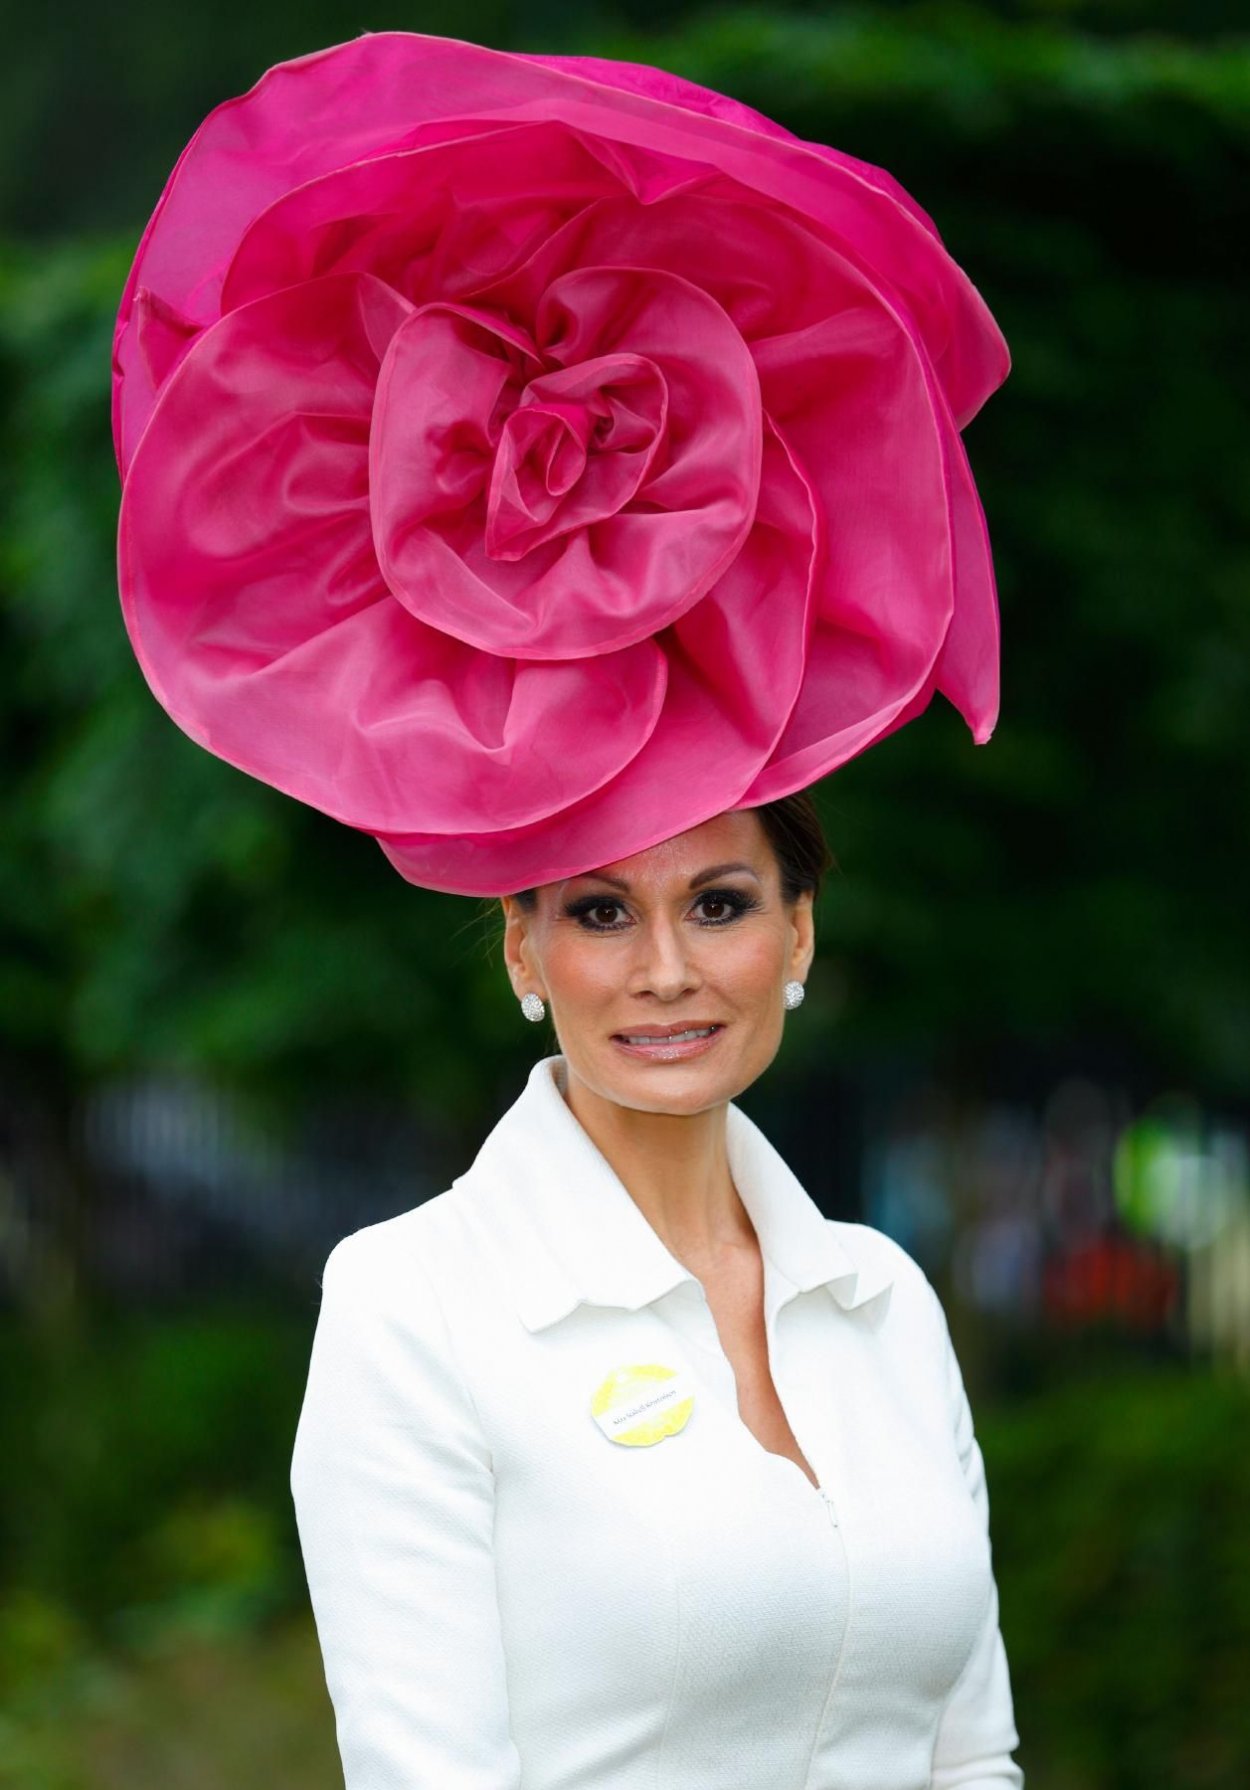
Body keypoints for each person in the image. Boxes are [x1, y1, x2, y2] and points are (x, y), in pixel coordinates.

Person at [111, 30, 1021, 1788]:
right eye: (599, 914)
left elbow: (970, 1755)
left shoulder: (883, 1305)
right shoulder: (411, 1311)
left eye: (722, 898)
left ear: (800, 937)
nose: (666, 966)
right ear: (521, 951)